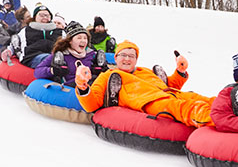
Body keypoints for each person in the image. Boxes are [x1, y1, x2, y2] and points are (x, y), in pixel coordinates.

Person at [75, 41, 215, 128]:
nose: (127, 59)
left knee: (200, 98)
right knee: (184, 108)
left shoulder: (144, 71)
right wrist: (82, 86)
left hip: (169, 93)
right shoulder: (108, 75)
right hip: (148, 101)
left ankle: (226, 105)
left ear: (136, 60)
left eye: (131, 56)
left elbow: (166, 86)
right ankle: (216, 119)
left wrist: (180, 71)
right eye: (123, 55)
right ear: (116, 58)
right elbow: (92, 105)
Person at [33, 22, 107, 87]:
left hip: (90, 87)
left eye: (85, 38)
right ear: (70, 41)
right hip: (70, 89)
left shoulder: (92, 55)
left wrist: (102, 70)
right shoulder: (61, 55)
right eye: (79, 38)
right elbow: (37, 72)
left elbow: (106, 73)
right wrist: (53, 70)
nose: (83, 41)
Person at [4, 3, 63, 67]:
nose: (45, 17)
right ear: (35, 17)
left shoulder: (59, 31)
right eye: (41, 15)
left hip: (56, 55)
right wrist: (8, 51)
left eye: (47, 15)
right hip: (32, 57)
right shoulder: (26, 30)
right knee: (49, 59)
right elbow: (14, 43)